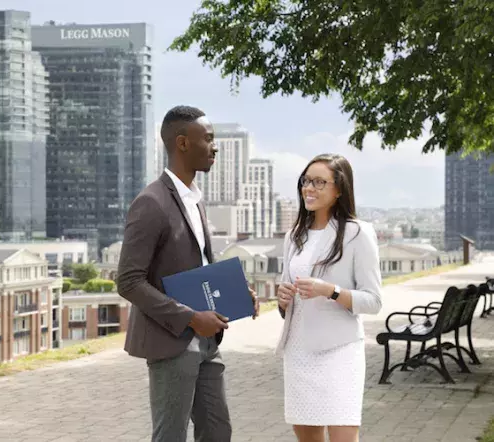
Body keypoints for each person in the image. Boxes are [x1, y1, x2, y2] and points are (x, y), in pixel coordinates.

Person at [117, 105, 259, 442]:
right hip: (171, 341)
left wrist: (238, 294)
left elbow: (197, 267)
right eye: (208, 139)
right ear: (182, 143)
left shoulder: (195, 200)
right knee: (171, 435)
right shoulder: (150, 202)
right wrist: (191, 318)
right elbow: (128, 281)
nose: (214, 147)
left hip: (208, 342)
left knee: (217, 430)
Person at [276, 153, 382, 442]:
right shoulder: (294, 235)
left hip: (340, 349)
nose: (309, 188)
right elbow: (287, 296)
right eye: (306, 181)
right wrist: (283, 299)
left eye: (319, 182)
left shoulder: (358, 233)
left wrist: (330, 291)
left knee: (343, 435)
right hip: (298, 349)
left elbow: (373, 300)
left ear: (339, 189)